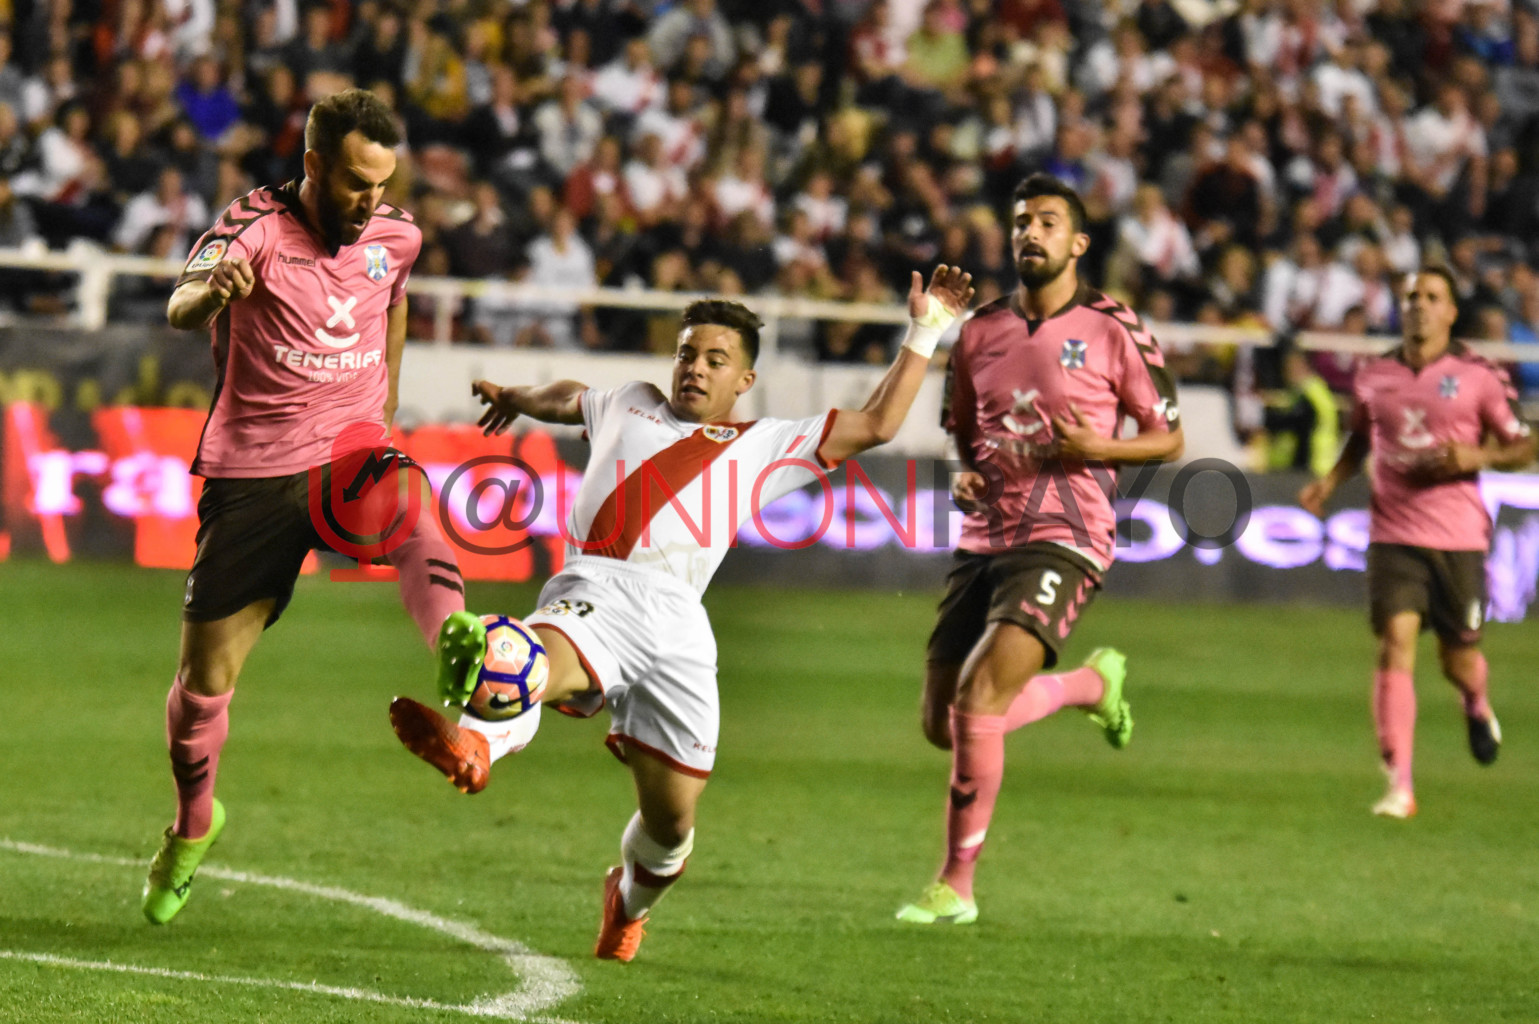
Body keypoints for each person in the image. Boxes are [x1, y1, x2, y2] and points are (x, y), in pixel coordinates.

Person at [388, 267, 975, 961]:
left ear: (743, 382)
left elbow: (878, 423)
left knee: (670, 828)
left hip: (679, 630)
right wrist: (517, 396)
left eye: (714, 360)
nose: (694, 368)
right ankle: (476, 740)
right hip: (596, 589)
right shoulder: (629, 404)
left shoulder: (766, 444)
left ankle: (625, 900)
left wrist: (926, 327)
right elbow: (571, 397)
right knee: (529, 655)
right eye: (687, 354)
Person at [142, 89, 471, 924]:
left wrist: (383, 410)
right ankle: (192, 826)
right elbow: (180, 306)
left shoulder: (396, 234)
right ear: (315, 166)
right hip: (252, 474)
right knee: (201, 691)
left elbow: (392, 299)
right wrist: (215, 290)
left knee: (409, 501)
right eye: (356, 183)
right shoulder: (249, 224)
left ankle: (459, 651)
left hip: (349, 451)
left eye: (382, 183)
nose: (371, 203)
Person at [897, 173, 1184, 926]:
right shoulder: (981, 329)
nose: (1030, 232)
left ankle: (955, 885)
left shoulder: (1115, 327)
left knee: (978, 699)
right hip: (986, 533)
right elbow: (962, 425)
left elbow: (1171, 435)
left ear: (1077, 244)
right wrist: (964, 476)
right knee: (942, 723)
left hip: (1067, 533)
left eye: (1048, 222)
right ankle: (1090, 687)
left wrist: (1099, 445)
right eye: (1022, 221)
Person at [1300, 267, 1535, 819]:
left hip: (1458, 538)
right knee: (1395, 640)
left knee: (1459, 660)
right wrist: (1330, 483)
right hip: (1393, 531)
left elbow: (1523, 446)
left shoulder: (1479, 374)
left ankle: (1475, 703)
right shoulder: (1374, 374)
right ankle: (1399, 785)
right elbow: (1362, 434)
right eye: (1410, 296)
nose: (1419, 306)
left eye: (1432, 297)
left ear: (1451, 312)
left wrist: (1480, 456)